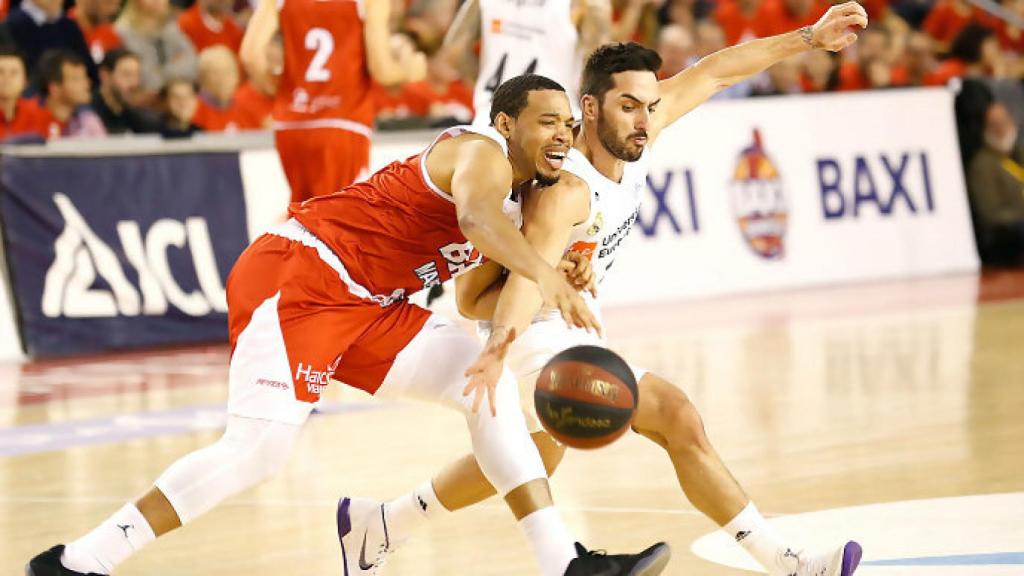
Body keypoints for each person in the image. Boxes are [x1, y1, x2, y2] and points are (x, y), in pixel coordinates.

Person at [26, 74, 670, 576]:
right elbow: (476, 221)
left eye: (566, 124)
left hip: (368, 305)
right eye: (545, 122)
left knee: (489, 391)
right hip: (300, 275)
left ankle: (564, 564)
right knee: (257, 451)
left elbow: (474, 297)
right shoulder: (482, 153)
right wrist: (549, 273)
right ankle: (80, 562)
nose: (561, 135)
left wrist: (516, 322)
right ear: (506, 122)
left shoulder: (530, 194)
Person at [338, 6, 871, 576]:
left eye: (649, 107)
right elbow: (476, 297)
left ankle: (384, 524)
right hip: (530, 329)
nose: (644, 121)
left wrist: (809, 38)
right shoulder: (563, 188)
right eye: (628, 107)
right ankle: (786, 562)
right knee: (675, 414)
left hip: (568, 315)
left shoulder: (637, 131)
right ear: (588, 109)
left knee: (534, 457)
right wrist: (503, 343)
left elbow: (716, 71)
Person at [240, 0, 426, 203]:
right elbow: (381, 70)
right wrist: (410, 71)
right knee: (340, 215)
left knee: (303, 214)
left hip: (292, 124)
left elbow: (250, 55)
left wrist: (281, 91)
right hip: (342, 122)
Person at [442, 0, 611, 127]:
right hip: (553, 120)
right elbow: (599, 67)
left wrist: (488, 85)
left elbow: (455, 50)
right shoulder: (586, 4)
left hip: (493, 116)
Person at [967, 101, 1024, 265]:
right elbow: (990, 213)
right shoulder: (982, 164)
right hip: (1006, 233)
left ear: (1013, 122)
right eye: (994, 125)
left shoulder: (1021, 154)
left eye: (1003, 122)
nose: (1000, 129)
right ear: (985, 129)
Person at [91, 48, 162, 134]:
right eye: (127, 75)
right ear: (105, 75)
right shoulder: (88, 113)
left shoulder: (135, 115)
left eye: (137, 75)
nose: (135, 82)